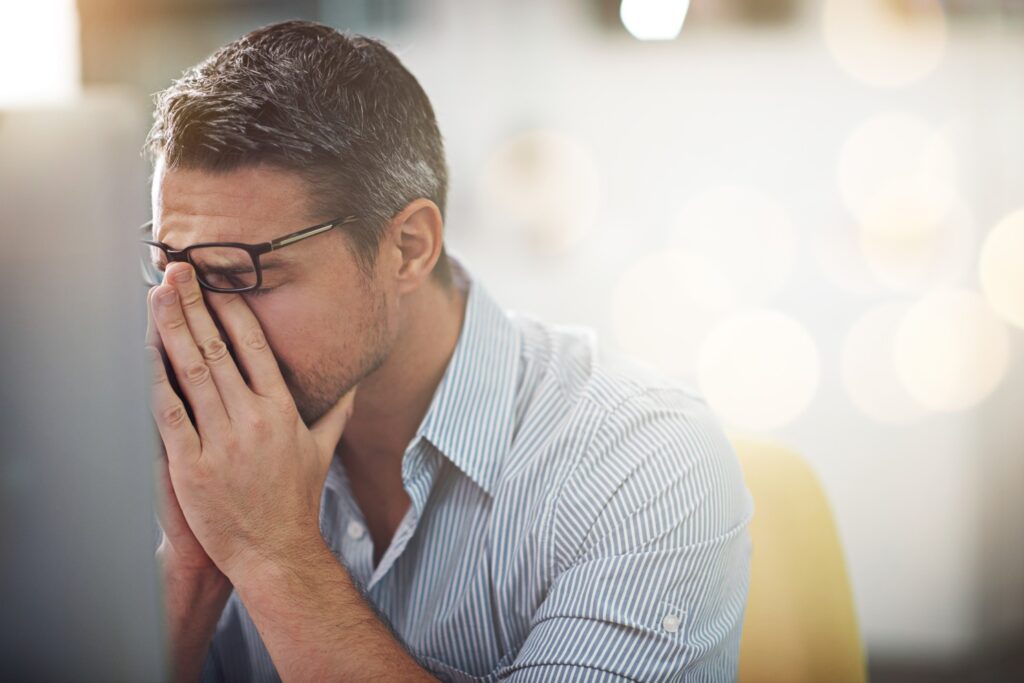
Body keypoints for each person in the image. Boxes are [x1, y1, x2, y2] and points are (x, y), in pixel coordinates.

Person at [143, 20, 752, 683]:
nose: (193, 323)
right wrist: (195, 569)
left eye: (240, 274)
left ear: (407, 248)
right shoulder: (208, 465)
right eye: (169, 268)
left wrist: (275, 554)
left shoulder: (645, 463)